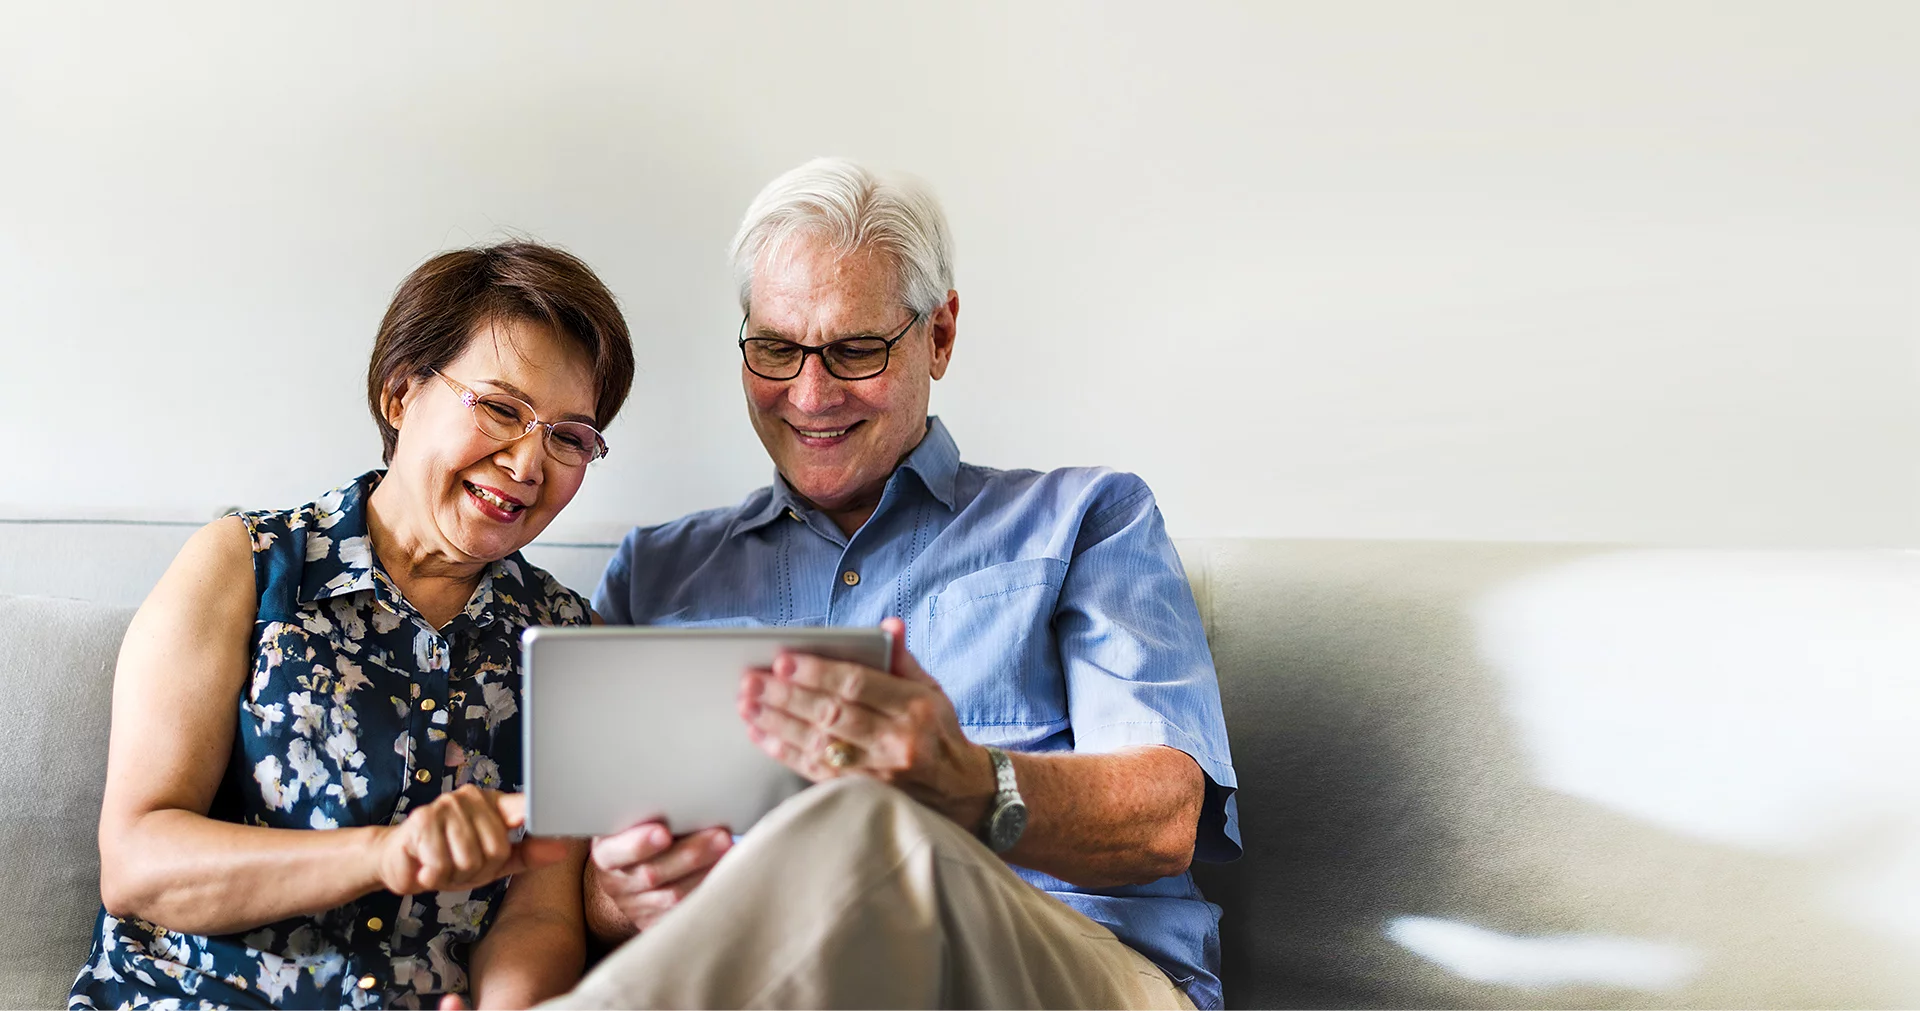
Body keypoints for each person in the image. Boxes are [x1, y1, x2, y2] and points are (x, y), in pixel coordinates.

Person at [566, 159, 1238, 1010]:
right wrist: (614, 901)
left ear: (940, 335)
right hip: (758, 981)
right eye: (775, 348)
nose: (809, 395)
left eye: (854, 349)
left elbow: (1165, 818)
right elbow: (579, 882)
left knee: (864, 819)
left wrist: (971, 784)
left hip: (1075, 973)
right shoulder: (651, 574)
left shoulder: (1086, 521)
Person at [70, 242, 635, 1010]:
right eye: (502, 408)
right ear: (401, 394)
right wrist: (385, 853)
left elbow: (539, 912)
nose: (529, 462)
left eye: (569, 436)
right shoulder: (245, 565)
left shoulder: (569, 638)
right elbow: (137, 864)